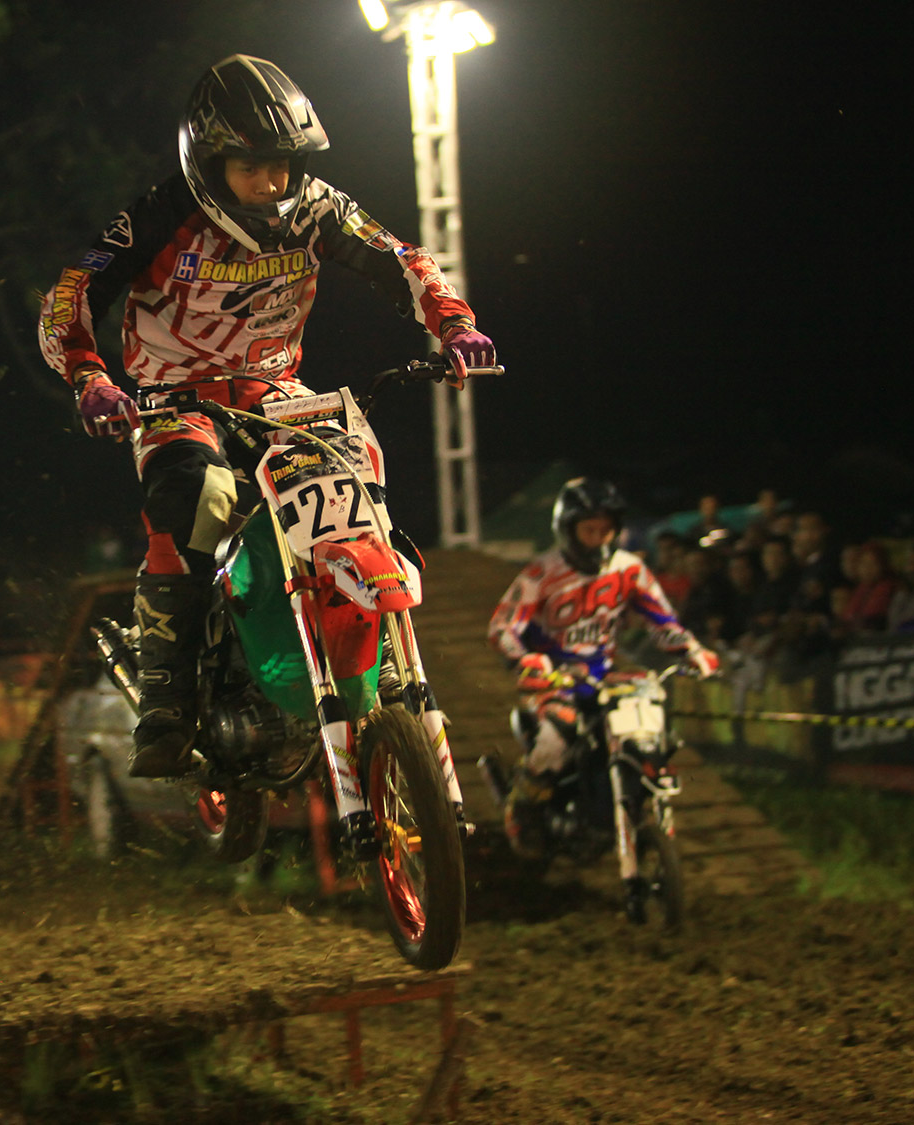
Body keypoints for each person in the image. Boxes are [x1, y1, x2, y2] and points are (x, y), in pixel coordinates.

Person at [38, 55, 495, 779]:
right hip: (174, 397)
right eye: (249, 166)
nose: (271, 182)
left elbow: (400, 258)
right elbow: (72, 291)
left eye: (282, 163)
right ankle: (166, 701)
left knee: (355, 474)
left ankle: (364, 644)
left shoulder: (320, 209)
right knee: (198, 498)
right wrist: (89, 377)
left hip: (277, 389)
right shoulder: (159, 215)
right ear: (207, 163)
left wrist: (455, 324)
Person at [487, 478, 719, 858]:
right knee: (557, 734)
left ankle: (625, 800)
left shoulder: (630, 570)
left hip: (603, 674)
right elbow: (502, 626)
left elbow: (663, 621)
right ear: (568, 530)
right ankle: (522, 806)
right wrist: (525, 659)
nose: (597, 538)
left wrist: (692, 651)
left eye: (605, 529)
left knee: (649, 723)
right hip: (552, 678)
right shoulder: (541, 573)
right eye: (589, 530)